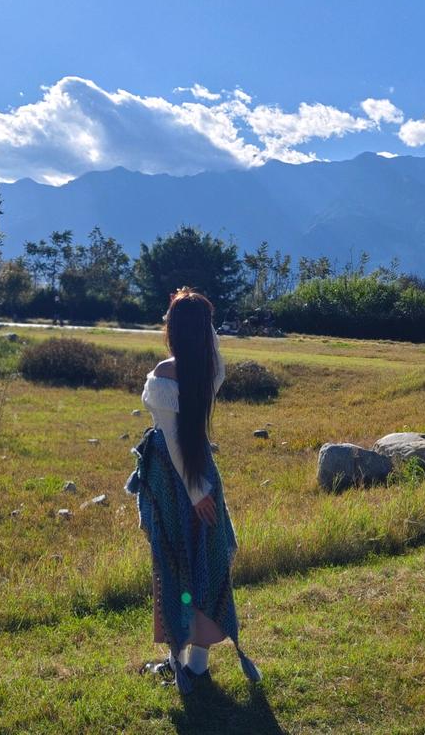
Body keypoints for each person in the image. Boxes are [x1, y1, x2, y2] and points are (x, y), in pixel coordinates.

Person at [126, 287, 261, 694]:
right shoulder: (209, 371)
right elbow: (189, 443)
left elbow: (172, 443)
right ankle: (196, 663)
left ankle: (177, 663)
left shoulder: (163, 376)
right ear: (206, 334)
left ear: (171, 330)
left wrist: (195, 492)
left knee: (172, 566)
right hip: (203, 474)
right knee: (206, 561)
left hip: (175, 484)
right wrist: (203, 322)